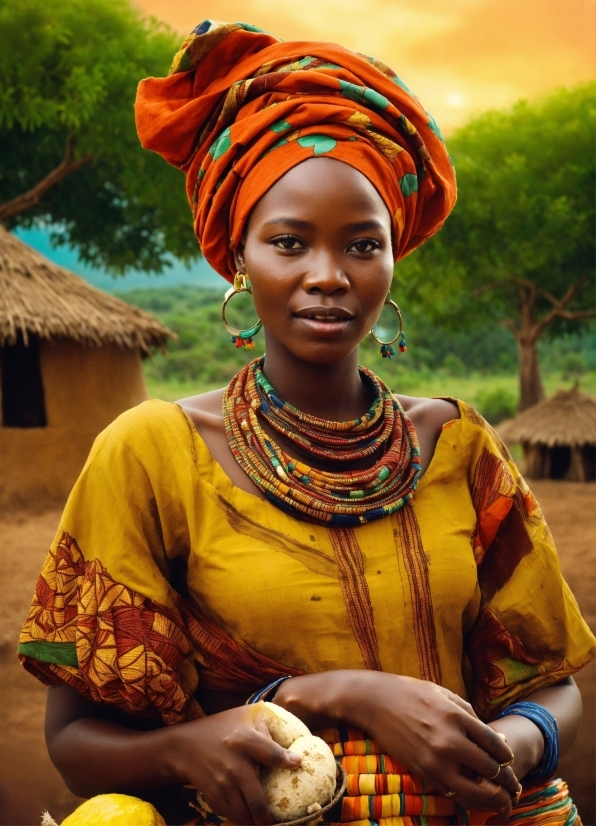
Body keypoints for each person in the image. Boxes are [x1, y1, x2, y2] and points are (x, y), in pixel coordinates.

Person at [18, 20, 595, 826]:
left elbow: (552, 688)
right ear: (239, 257)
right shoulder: (152, 453)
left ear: (393, 259)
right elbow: (77, 742)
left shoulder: (460, 447)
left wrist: (508, 749)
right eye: (289, 242)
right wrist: (300, 708)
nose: (328, 276)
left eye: (363, 245)